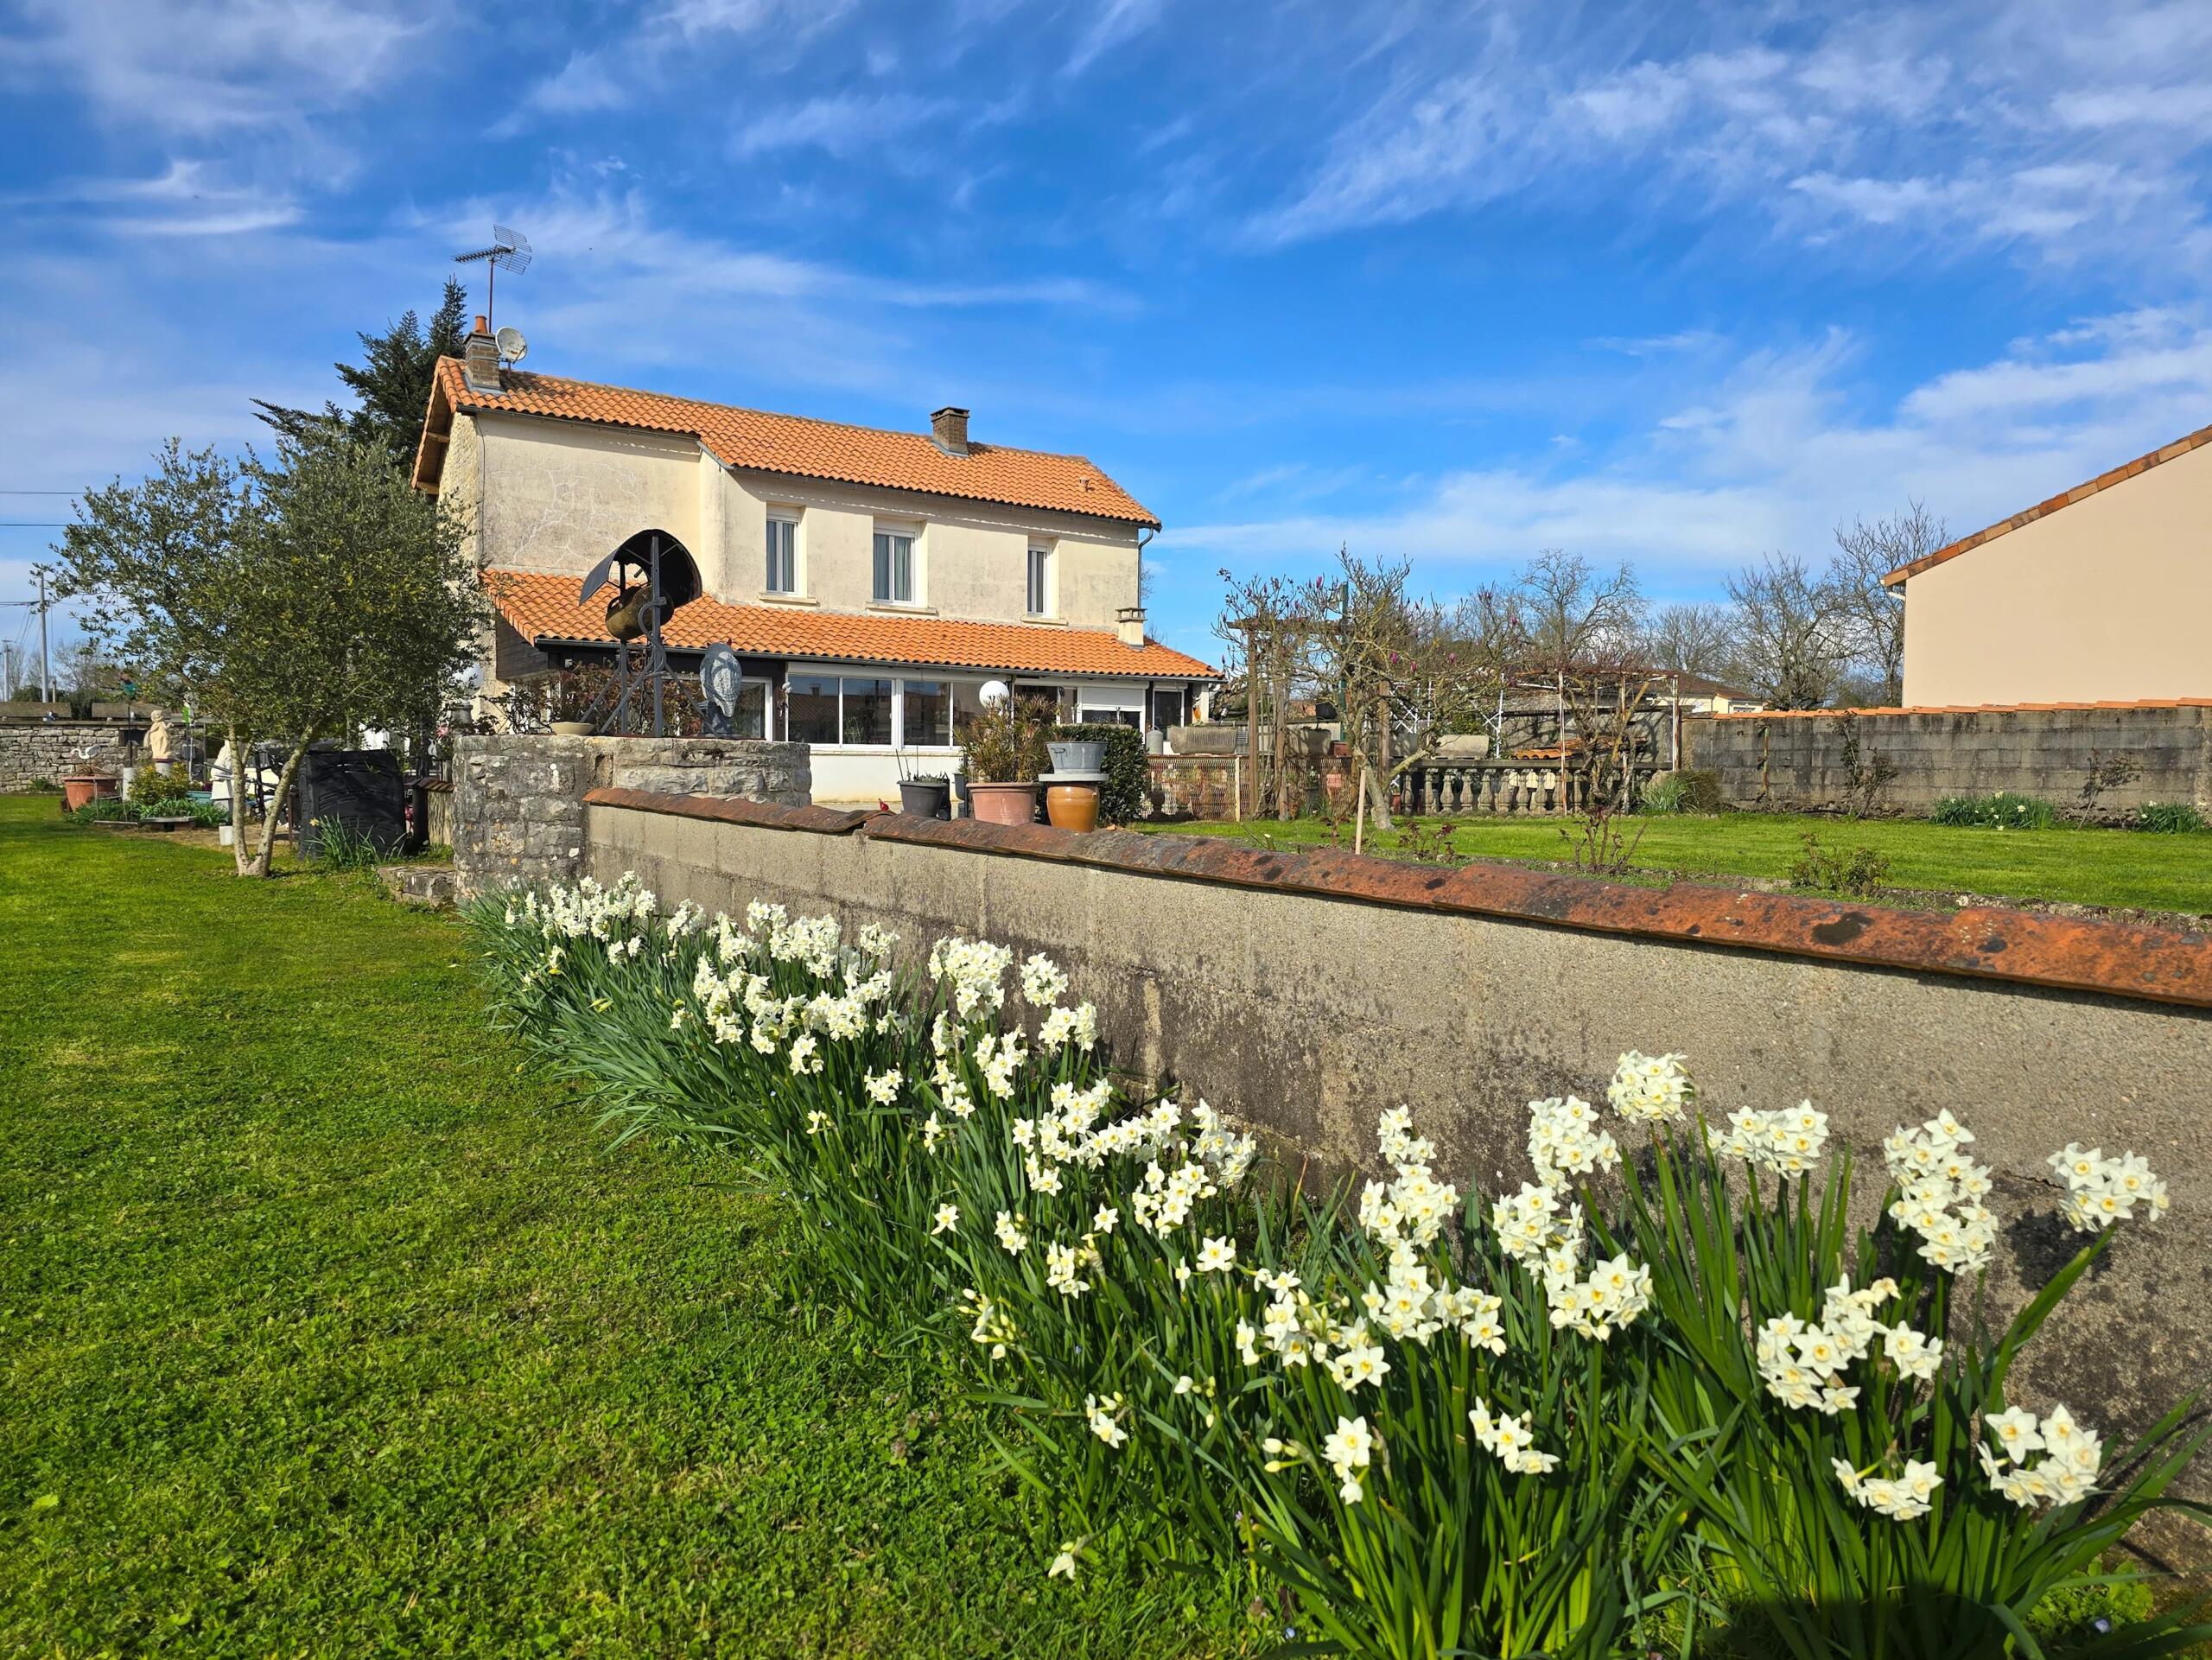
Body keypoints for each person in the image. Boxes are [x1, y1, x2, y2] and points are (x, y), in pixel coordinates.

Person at [145, 708, 176, 775]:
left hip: (158, 737)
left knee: (163, 745)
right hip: (161, 737)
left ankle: (161, 753)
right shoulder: (161, 723)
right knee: (165, 744)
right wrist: (170, 724)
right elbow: (166, 728)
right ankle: (162, 753)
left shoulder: (155, 724)